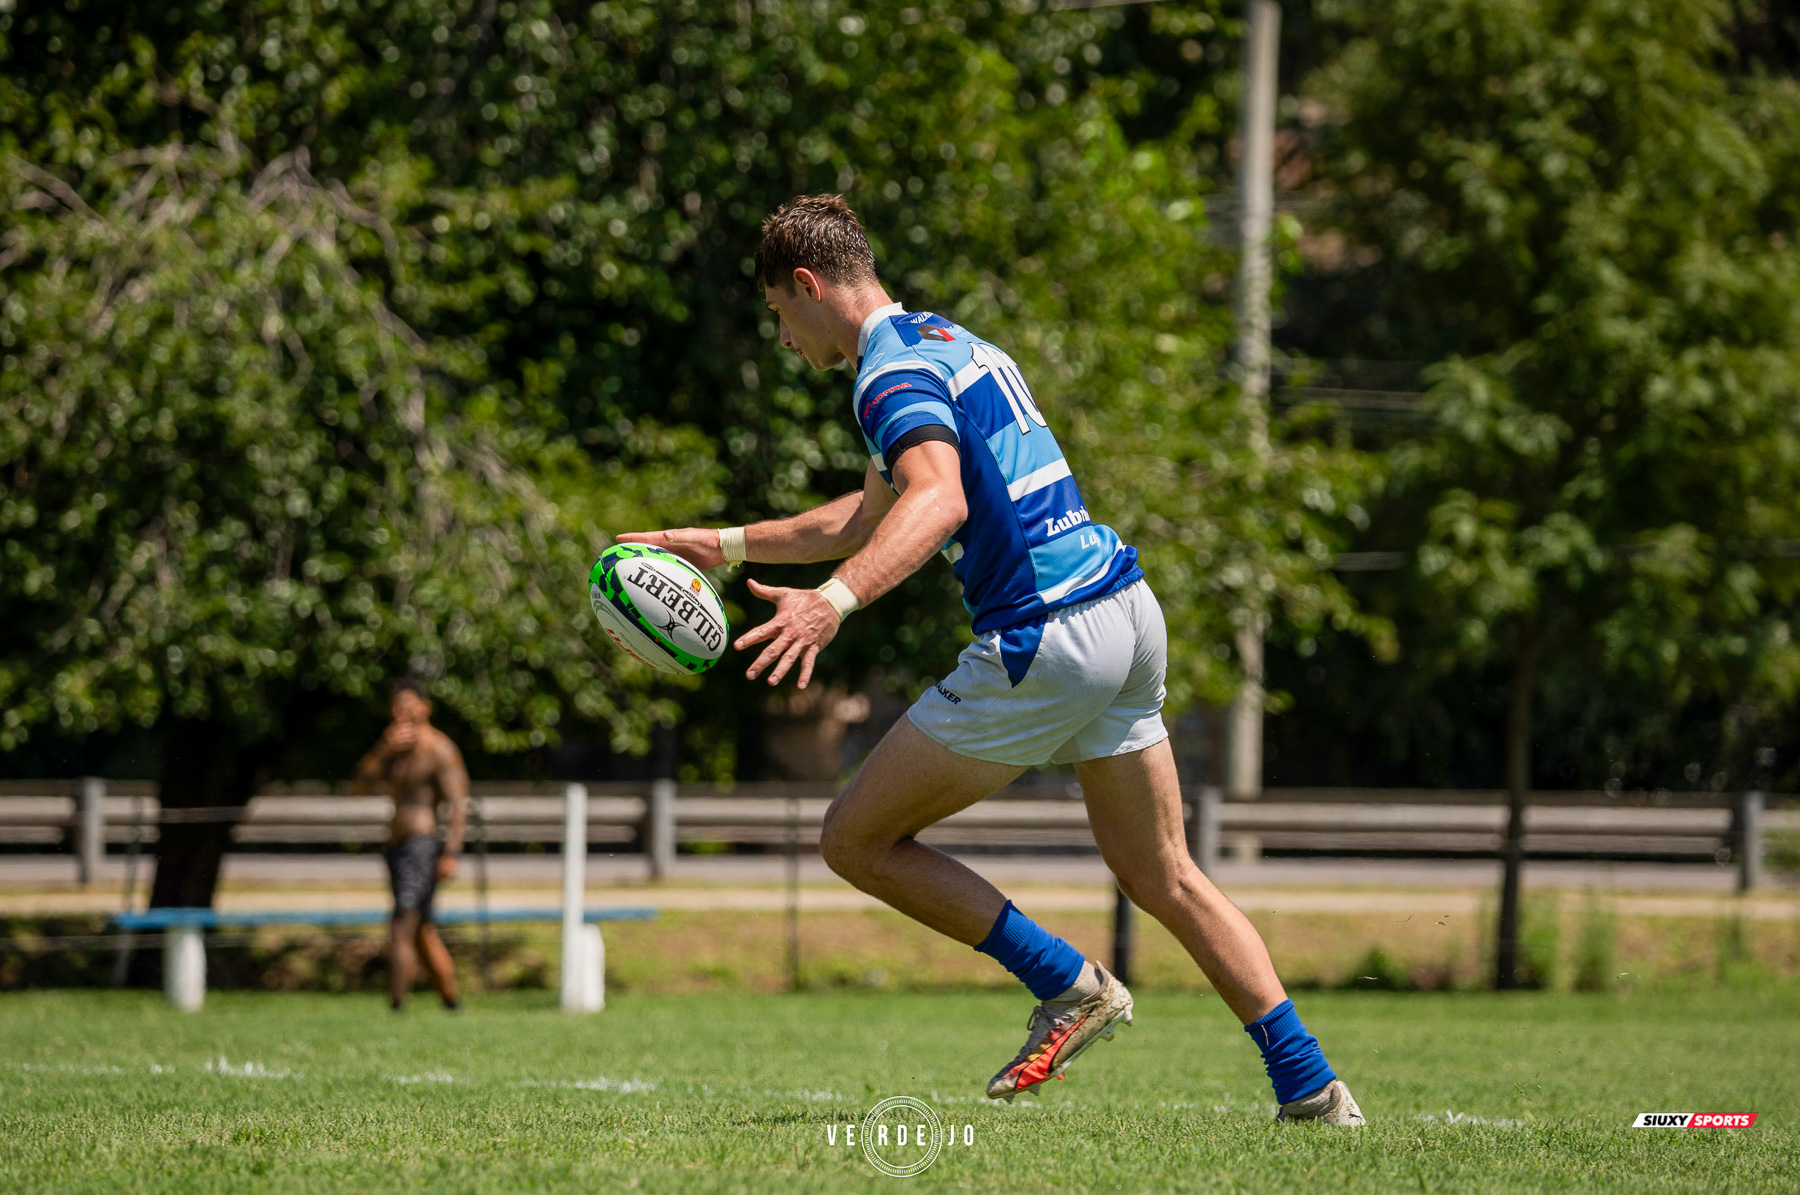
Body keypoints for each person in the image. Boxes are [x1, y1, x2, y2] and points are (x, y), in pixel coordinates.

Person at [618, 194, 1363, 1123]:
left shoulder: (885, 378)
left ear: (808, 285)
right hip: (1126, 613)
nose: (783, 338)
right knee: (1163, 870)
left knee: (854, 838)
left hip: (1046, 636)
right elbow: (862, 517)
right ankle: (1312, 1087)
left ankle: (1068, 984)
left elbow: (937, 503)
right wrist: (724, 545)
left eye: (778, 314)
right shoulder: (947, 342)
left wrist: (833, 602)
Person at [353, 678, 469, 1012]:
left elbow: (459, 805)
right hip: (395, 847)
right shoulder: (391, 751)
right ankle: (451, 1001)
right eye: (395, 704)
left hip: (422, 846)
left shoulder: (439, 749)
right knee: (422, 930)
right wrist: (383, 749)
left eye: (408, 703)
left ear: (425, 707)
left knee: (402, 923)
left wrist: (450, 853)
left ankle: (396, 1005)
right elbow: (359, 787)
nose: (401, 710)